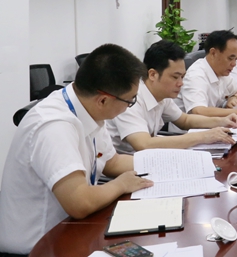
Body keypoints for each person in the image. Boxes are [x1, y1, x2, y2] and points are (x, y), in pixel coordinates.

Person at [0, 44, 154, 255]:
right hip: (39, 248)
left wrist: (162, 164)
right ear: (103, 99)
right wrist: (121, 184)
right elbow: (80, 202)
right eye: (130, 100)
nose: (130, 106)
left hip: (72, 231)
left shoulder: (87, 108)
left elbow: (112, 162)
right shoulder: (54, 126)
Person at [107, 40, 237, 154]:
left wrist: (222, 121)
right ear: (153, 74)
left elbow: (185, 120)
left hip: (149, 159)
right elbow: (144, 144)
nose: (181, 83)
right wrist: (203, 136)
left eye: (182, 77)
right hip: (125, 167)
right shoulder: (131, 99)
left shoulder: (161, 95)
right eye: (175, 77)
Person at [178, 29, 237, 118]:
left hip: (215, 125)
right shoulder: (196, 75)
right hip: (191, 130)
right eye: (230, 58)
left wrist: (235, 98)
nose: (234, 64)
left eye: (236, 59)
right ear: (213, 53)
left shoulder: (221, 71)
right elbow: (199, 111)